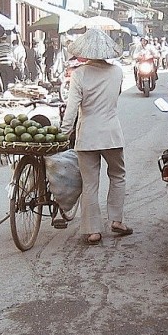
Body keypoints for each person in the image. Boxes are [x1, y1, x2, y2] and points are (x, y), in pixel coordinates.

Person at [59, 28, 131, 245]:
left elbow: (71, 109)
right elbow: (114, 97)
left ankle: (93, 231)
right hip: (111, 134)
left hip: (87, 136)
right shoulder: (117, 72)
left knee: (90, 183)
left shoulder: (79, 74)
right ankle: (117, 220)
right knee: (117, 175)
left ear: (85, 52)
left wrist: (63, 132)